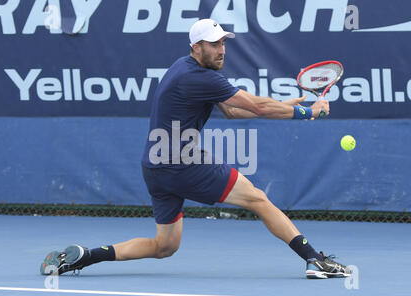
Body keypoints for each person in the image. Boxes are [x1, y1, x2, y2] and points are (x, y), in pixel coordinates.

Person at [41, 19, 350, 279]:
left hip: (155, 166)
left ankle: (85, 256)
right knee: (258, 198)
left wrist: (284, 106)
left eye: (223, 44)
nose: (221, 50)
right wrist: (310, 112)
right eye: (214, 44)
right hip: (181, 162)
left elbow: (233, 111)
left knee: (165, 246)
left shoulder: (184, 68)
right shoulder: (199, 77)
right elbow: (255, 105)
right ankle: (314, 259)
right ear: (196, 47)